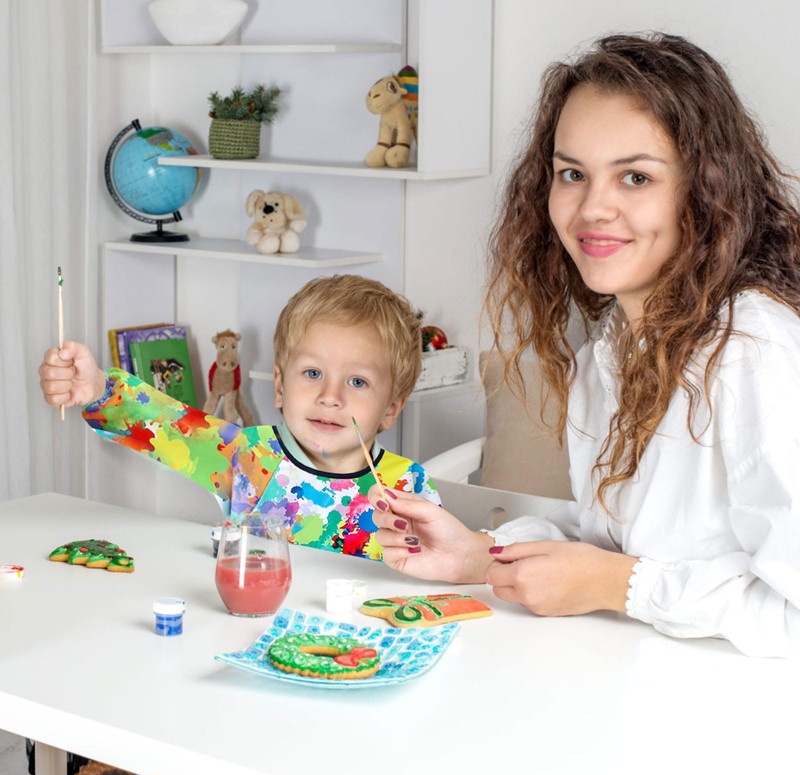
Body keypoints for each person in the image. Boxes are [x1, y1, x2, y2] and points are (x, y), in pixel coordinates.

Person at [369, 32, 800, 658]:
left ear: (706, 189)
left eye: (635, 177)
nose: (593, 208)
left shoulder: (756, 350)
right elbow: (617, 543)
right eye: (572, 174)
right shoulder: (612, 350)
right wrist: (481, 556)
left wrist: (618, 586)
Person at [39, 274, 439, 561]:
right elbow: (165, 424)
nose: (330, 397)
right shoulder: (248, 455)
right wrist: (98, 388)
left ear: (391, 408)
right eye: (313, 373)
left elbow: (437, 579)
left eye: (357, 381)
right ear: (280, 385)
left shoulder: (408, 488)